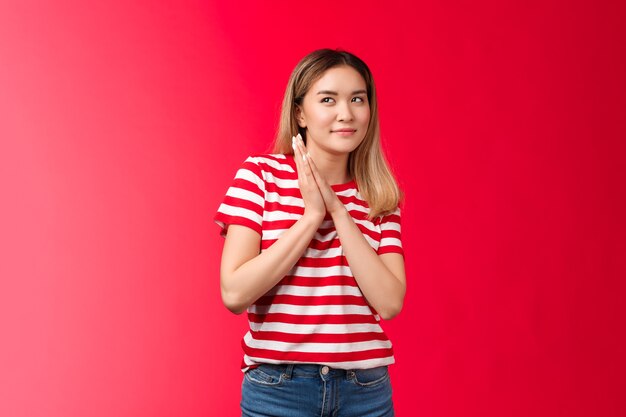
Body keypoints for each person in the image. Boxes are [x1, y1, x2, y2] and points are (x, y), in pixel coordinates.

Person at [214, 48, 406, 417]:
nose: (345, 113)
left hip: (364, 392)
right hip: (278, 391)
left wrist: (337, 209)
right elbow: (234, 292)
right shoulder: (259, 177)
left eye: (357, 99)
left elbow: (390, 302)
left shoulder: (381, 195)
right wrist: (311, 216)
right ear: (300, 112)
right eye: (328, 99)